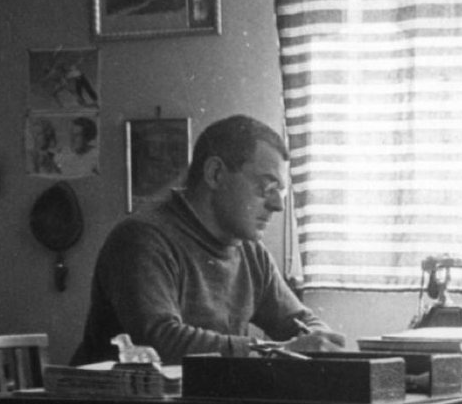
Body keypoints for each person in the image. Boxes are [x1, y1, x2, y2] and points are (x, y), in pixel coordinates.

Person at [71, 114, 346, 365]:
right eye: (267, 186)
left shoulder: (251, 252)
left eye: (281, 192)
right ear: (215, 173)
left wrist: (320, 338)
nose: (278, 205)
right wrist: (275, 351)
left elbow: (298, 320)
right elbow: (161, 341)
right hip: (123, 402)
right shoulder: (141, 239)